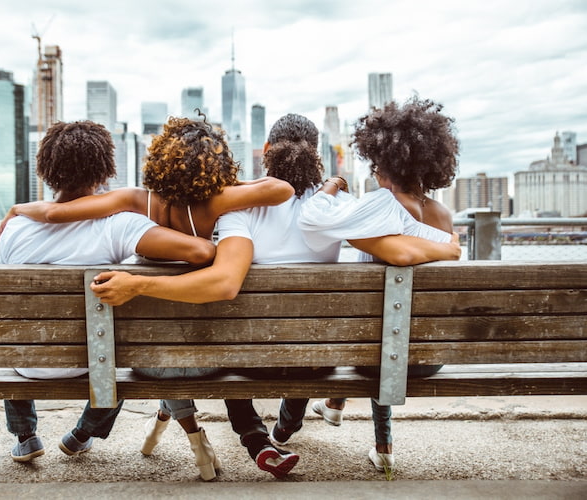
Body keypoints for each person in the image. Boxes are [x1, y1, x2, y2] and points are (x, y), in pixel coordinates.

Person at [89, 113, 461, 478]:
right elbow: (394, 247)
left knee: (228, 345)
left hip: (255, 358)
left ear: (266, 150)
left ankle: (258, 438)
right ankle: (282, 431)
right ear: (316, 154)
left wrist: (138, 283)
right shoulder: (335, 209)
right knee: (303, 335)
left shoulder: (239, 208)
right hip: (319, 357)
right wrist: (448, 246)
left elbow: (223, 283)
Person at [0, 115, 294, 481]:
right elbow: (265, 201)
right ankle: (84, 433)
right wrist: (220, 185)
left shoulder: (129, 204)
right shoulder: (127, 225)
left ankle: (26, 434)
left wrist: (18, 209)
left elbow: (56, 213)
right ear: (106, 169)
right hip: (123, 358)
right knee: (114, 350)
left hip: (28, 359)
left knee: (67, 336)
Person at [296, 95, 460, 473]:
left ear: (383, 160)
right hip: (431, 356)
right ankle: (350, 419)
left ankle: (332, 417)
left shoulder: (381, 205)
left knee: (382, 335)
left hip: (379, 354)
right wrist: (448, 251)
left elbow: (313, 218)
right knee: (390, 327)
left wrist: (331, 186)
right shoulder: (443, 214)